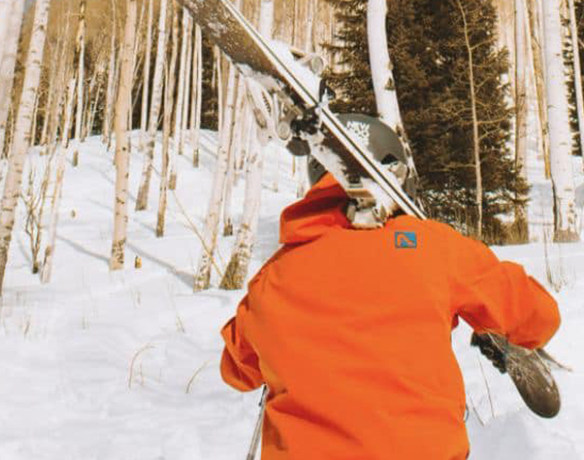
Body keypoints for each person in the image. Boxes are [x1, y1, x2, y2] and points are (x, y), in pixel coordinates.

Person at [220, 114, 560, 460]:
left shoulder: (271, 278)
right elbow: (538, 315)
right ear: (398, 174)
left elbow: (236, 369)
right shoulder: (431, 248)